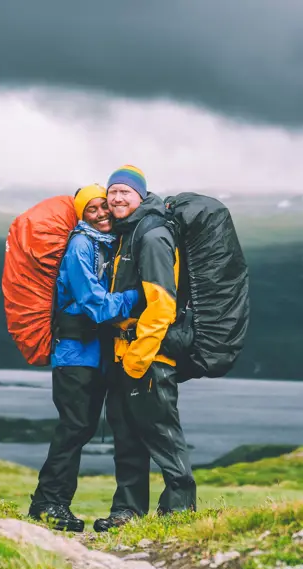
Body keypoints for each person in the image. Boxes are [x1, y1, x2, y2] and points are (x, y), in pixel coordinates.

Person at [28, 184, 139, 532]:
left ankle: (53, 503)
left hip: (93, 355)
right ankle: (48, 504)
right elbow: (95, 304)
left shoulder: (106, 244)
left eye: (104, 206)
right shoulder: (80, 246)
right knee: (75, 427)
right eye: (91, 210)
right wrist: (141, 295)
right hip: (75, 354)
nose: (103, 213)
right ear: (81, 215)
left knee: (81, 427)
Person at [93, 166, 197, 533]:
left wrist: (141, 354)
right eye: (113, 192)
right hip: (125, 355)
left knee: (161, 434)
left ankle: (179, 513)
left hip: (149, 356)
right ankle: (127, 513)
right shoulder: (128, 233)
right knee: (127, 437)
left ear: (141, 195)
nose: (117, 198)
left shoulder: (151, 235)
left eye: (125, 192)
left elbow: (162, 303)